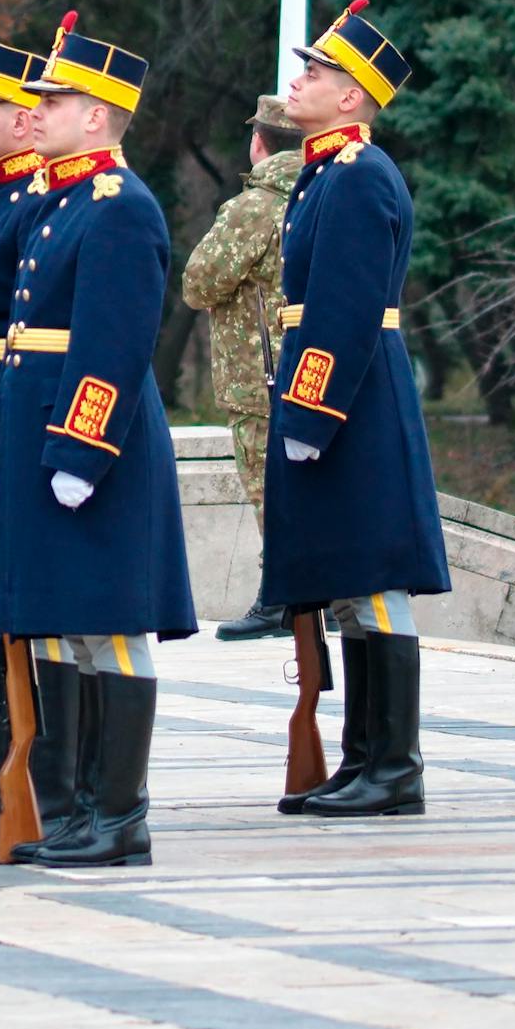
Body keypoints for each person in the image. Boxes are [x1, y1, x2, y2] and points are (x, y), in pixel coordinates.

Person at [0, 16, 197, 869]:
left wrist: (80, 452)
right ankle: (72, 808)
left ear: (102, 113)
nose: (37, 109)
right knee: (65, 625)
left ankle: (121, 814)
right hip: (42, 430)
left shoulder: (120, 207)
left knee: (107, 624)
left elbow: (112, 343)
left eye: (56, 97)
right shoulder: (61, 197)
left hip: (93, 443)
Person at [262, 0, 449, 819]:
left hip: (356, 395)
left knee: (375, 578)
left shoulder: (361, 176)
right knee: (350, 580)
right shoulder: (325, 171)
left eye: (316, 71)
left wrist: (311, 413)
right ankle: (362, 757)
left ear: (351, 96)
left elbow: (342, 310)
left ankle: (393, 765)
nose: (298, 81)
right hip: (341, 393)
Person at [185, 95, 307, 641]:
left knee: (266, 490)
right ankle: (296, 594)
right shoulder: (318, 192)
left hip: (256, 374)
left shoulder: (255, 206)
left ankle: (280, 598)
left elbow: (199, 282)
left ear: (258, 142)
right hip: (301, 371)